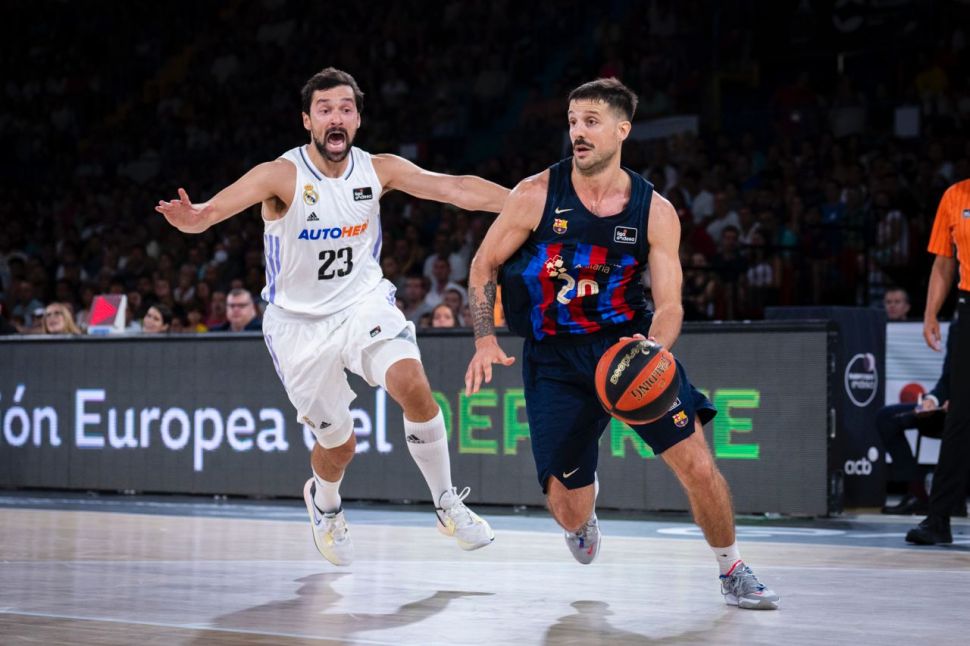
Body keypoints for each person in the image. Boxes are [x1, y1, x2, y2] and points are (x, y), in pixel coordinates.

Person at [156, 67, 507, 565]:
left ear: (358, 119)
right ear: (308, 121)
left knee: (412, 384)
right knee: (340, 447)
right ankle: (325, 504)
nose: (336, 117)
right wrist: (191, 220)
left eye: (345, 108)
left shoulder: (378, 169)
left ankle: (446, 503)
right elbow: (208, 213)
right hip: (298, 326)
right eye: (325, 110)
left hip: (362, 304)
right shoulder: (281, 175)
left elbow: (455, 188)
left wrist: (522, 204)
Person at [464, 78, 779, 609]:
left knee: (698, 464)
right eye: (572, 121)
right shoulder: (535, 194)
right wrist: (483, 338)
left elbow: (671, 304)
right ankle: (583, 513)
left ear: (622, 130)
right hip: (554, 356)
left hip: (626, 347)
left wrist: (654, 347)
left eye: (591, 121)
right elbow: (483, 264)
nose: (578, 132)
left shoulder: (655, 211)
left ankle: (733, 568)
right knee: (567, 509)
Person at [906, 178, 970, 545]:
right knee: (960, 418)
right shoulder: (954, 195)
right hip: (968, 307)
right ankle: (939, 519)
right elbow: (944, 262)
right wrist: (930, 313)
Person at [879, 322, 954, 514]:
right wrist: (931, 400)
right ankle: (917, 494)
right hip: (947, 411)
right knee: (887, 418)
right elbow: (947, 379)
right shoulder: (959, 327)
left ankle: (955, 498)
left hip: (963, 412)